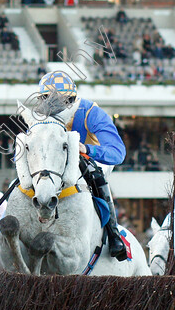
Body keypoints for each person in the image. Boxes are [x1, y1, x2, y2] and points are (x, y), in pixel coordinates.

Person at [33, 70, 127, 260]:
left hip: (92, 158)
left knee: (92, 170)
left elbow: (118, 152)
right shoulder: (40, 116)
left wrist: (88, 149)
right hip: (56, 162)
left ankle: (113, 232)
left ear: (70, 100)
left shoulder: (91, 112)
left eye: (58, 102)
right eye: (48, 100)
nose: (52, 108)